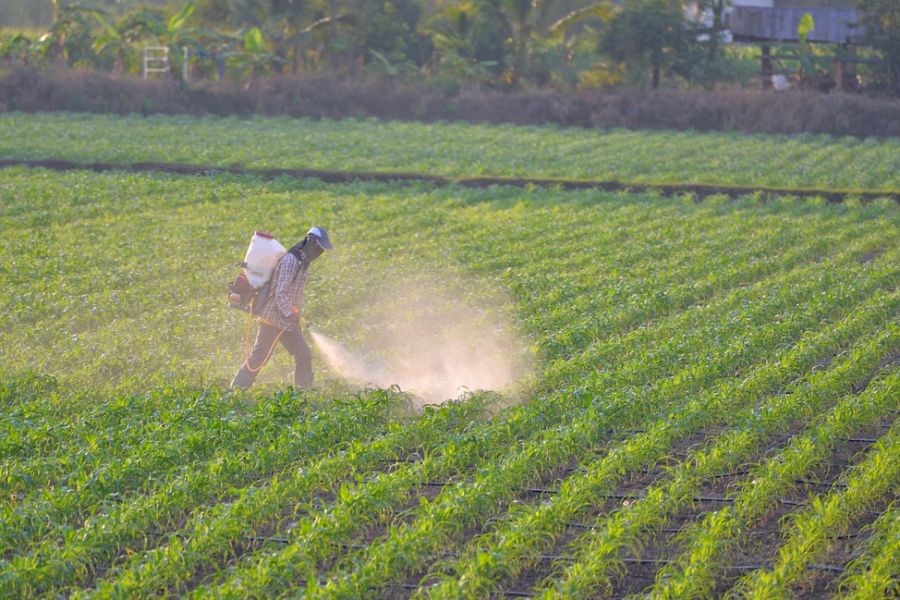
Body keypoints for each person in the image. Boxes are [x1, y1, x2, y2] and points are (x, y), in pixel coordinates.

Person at [230, 226, 333, 390]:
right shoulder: (291, 261)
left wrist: (294, 312)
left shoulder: (302, 262)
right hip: (272, 319)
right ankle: (234, 391)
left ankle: (302, 393)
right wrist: (289, 312)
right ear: (311, 242)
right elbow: (280, 292)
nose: (320, 252)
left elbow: (291, 293)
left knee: (303, 354)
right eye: (319, 247)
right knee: (259, 358)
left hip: (286, 322)